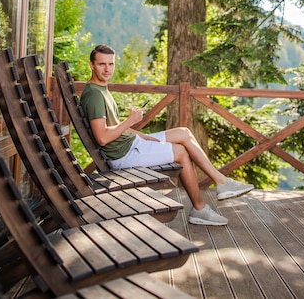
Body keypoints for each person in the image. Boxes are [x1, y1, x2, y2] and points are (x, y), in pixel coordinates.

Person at [80, 44, 254, 226]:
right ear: (92, 65)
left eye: (111, 64)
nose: (107, 69)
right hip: (124, 154)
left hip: (132, 143)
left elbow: (112, 126)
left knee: (183, 132)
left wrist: (140, 134)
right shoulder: (94, 95)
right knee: (181, 152)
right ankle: (201, 208)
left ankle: (220, 182)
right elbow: (102, 137)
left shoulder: (101, 89)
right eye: (102, 64)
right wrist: (130, 121)